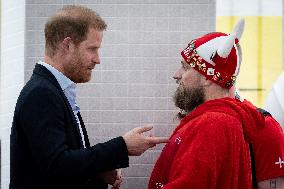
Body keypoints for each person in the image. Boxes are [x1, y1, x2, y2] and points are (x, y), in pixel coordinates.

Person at [10, 5, 168, 189]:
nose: (97, 59)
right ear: (67, 45)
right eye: (92, 49)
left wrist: (97, 172)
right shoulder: (42, 93)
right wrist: (122, 147)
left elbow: (60, 164)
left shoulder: (54, 89)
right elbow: (56, 165)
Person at [148, 19, 283, 189]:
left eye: (185, 67)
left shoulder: (214, 124)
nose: (176, 75)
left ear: (207, 77)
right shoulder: (211, 120)